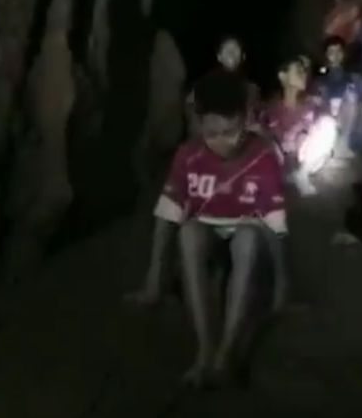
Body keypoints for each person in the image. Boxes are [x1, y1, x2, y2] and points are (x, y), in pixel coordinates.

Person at [126, 79, 288, 387]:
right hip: (207, 232)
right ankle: (205, 350)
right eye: (212, 133)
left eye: (231, 132)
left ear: (246, 119)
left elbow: (275, 223)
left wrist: (282, 281)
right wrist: (154, 282)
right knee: (188, 232)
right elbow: (166, 218)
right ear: (198, 123)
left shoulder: (263, 155)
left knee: (248, 238)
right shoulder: (188, 155)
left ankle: (225, 354)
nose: (222, 142)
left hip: (250, 237)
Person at [260, 56, 331, 195]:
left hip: (306, 162)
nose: (303, 74)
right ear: (283, 76)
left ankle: (301, 175)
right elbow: (270, 136)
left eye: (304, 71)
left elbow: (324, 130)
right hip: (280, 163)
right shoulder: (271, 106)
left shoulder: (311, 103)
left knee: (328, 123)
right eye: (298, 70)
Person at [186, 36, 261, 133]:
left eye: (235, 49)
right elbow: (190, 106)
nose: (231, 53)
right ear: (219, 57)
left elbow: (253, 118)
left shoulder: (251, 89)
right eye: (226, 49)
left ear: (243, 57)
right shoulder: (205, 83)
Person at [315, 35, 362, 157]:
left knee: (351, 95)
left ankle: (344, 143)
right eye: (331, 53)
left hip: (351, 126)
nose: (336, 56)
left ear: (344, 54)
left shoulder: (355, 78)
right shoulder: (320, 82)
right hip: (329, 125)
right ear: (326, 56)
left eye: (339, 52)